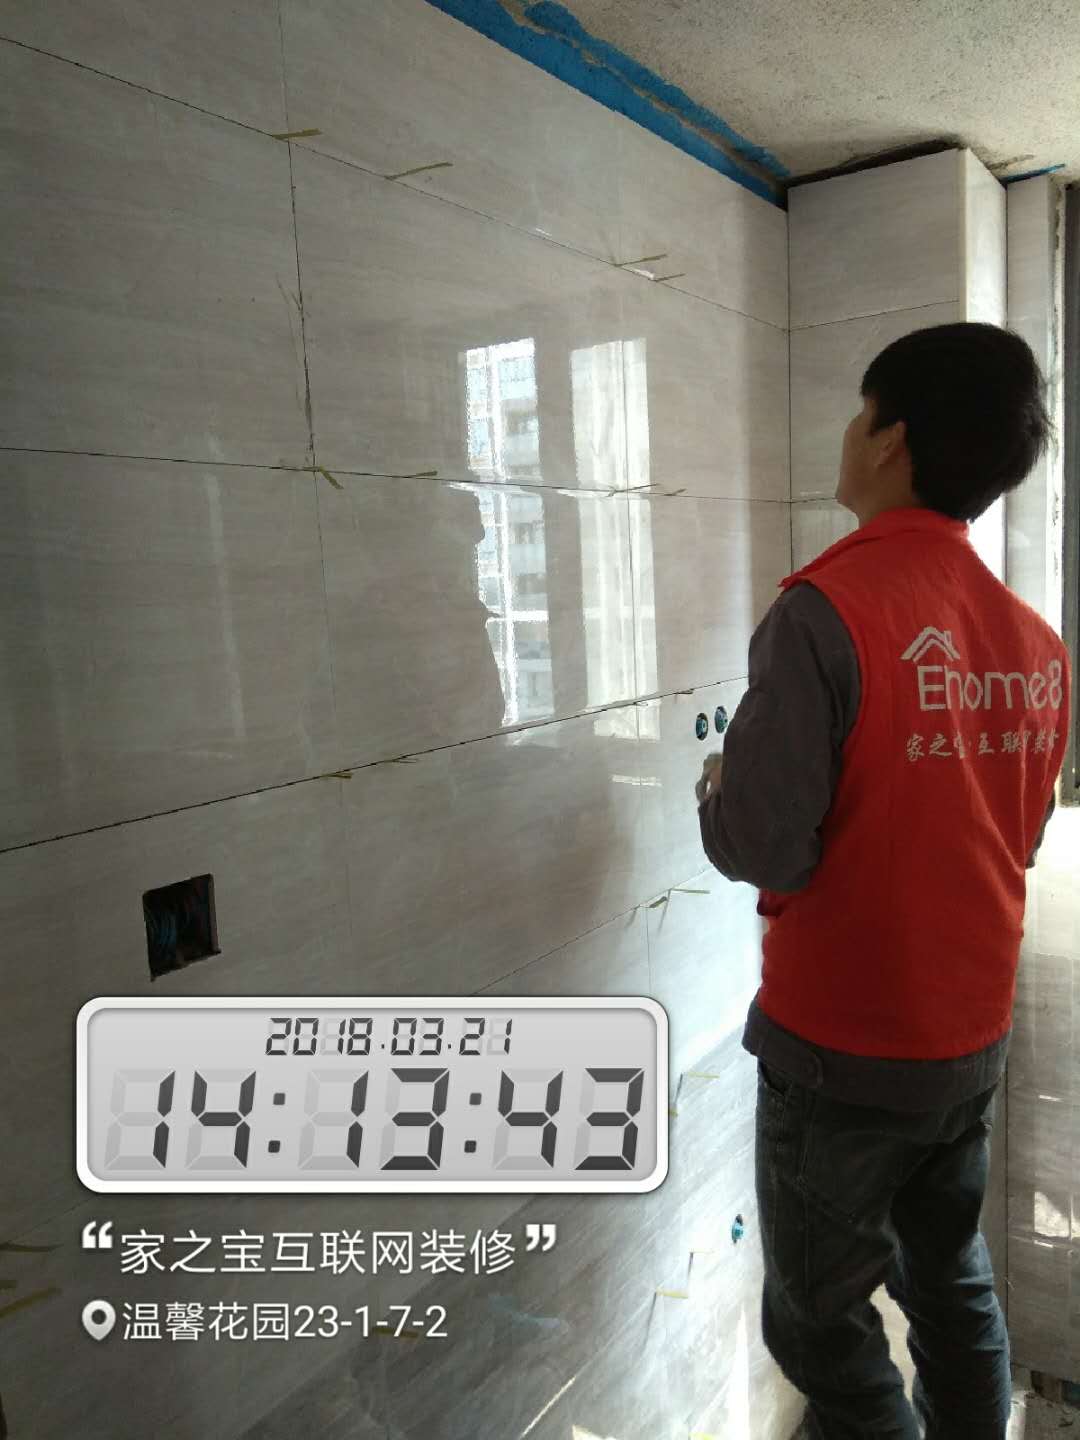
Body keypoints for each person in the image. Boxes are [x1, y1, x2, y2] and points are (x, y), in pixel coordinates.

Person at [696, 322, 1072, 1440]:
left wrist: (717, 788)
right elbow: (1014, 836)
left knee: (821, 1325)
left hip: (842, 1049)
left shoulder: (825, 611)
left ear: (891, 438)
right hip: (967, 1037)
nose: (849, 433)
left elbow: (766, 846)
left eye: (861, 412)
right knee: (948, 1279)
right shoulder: (1035, 643)